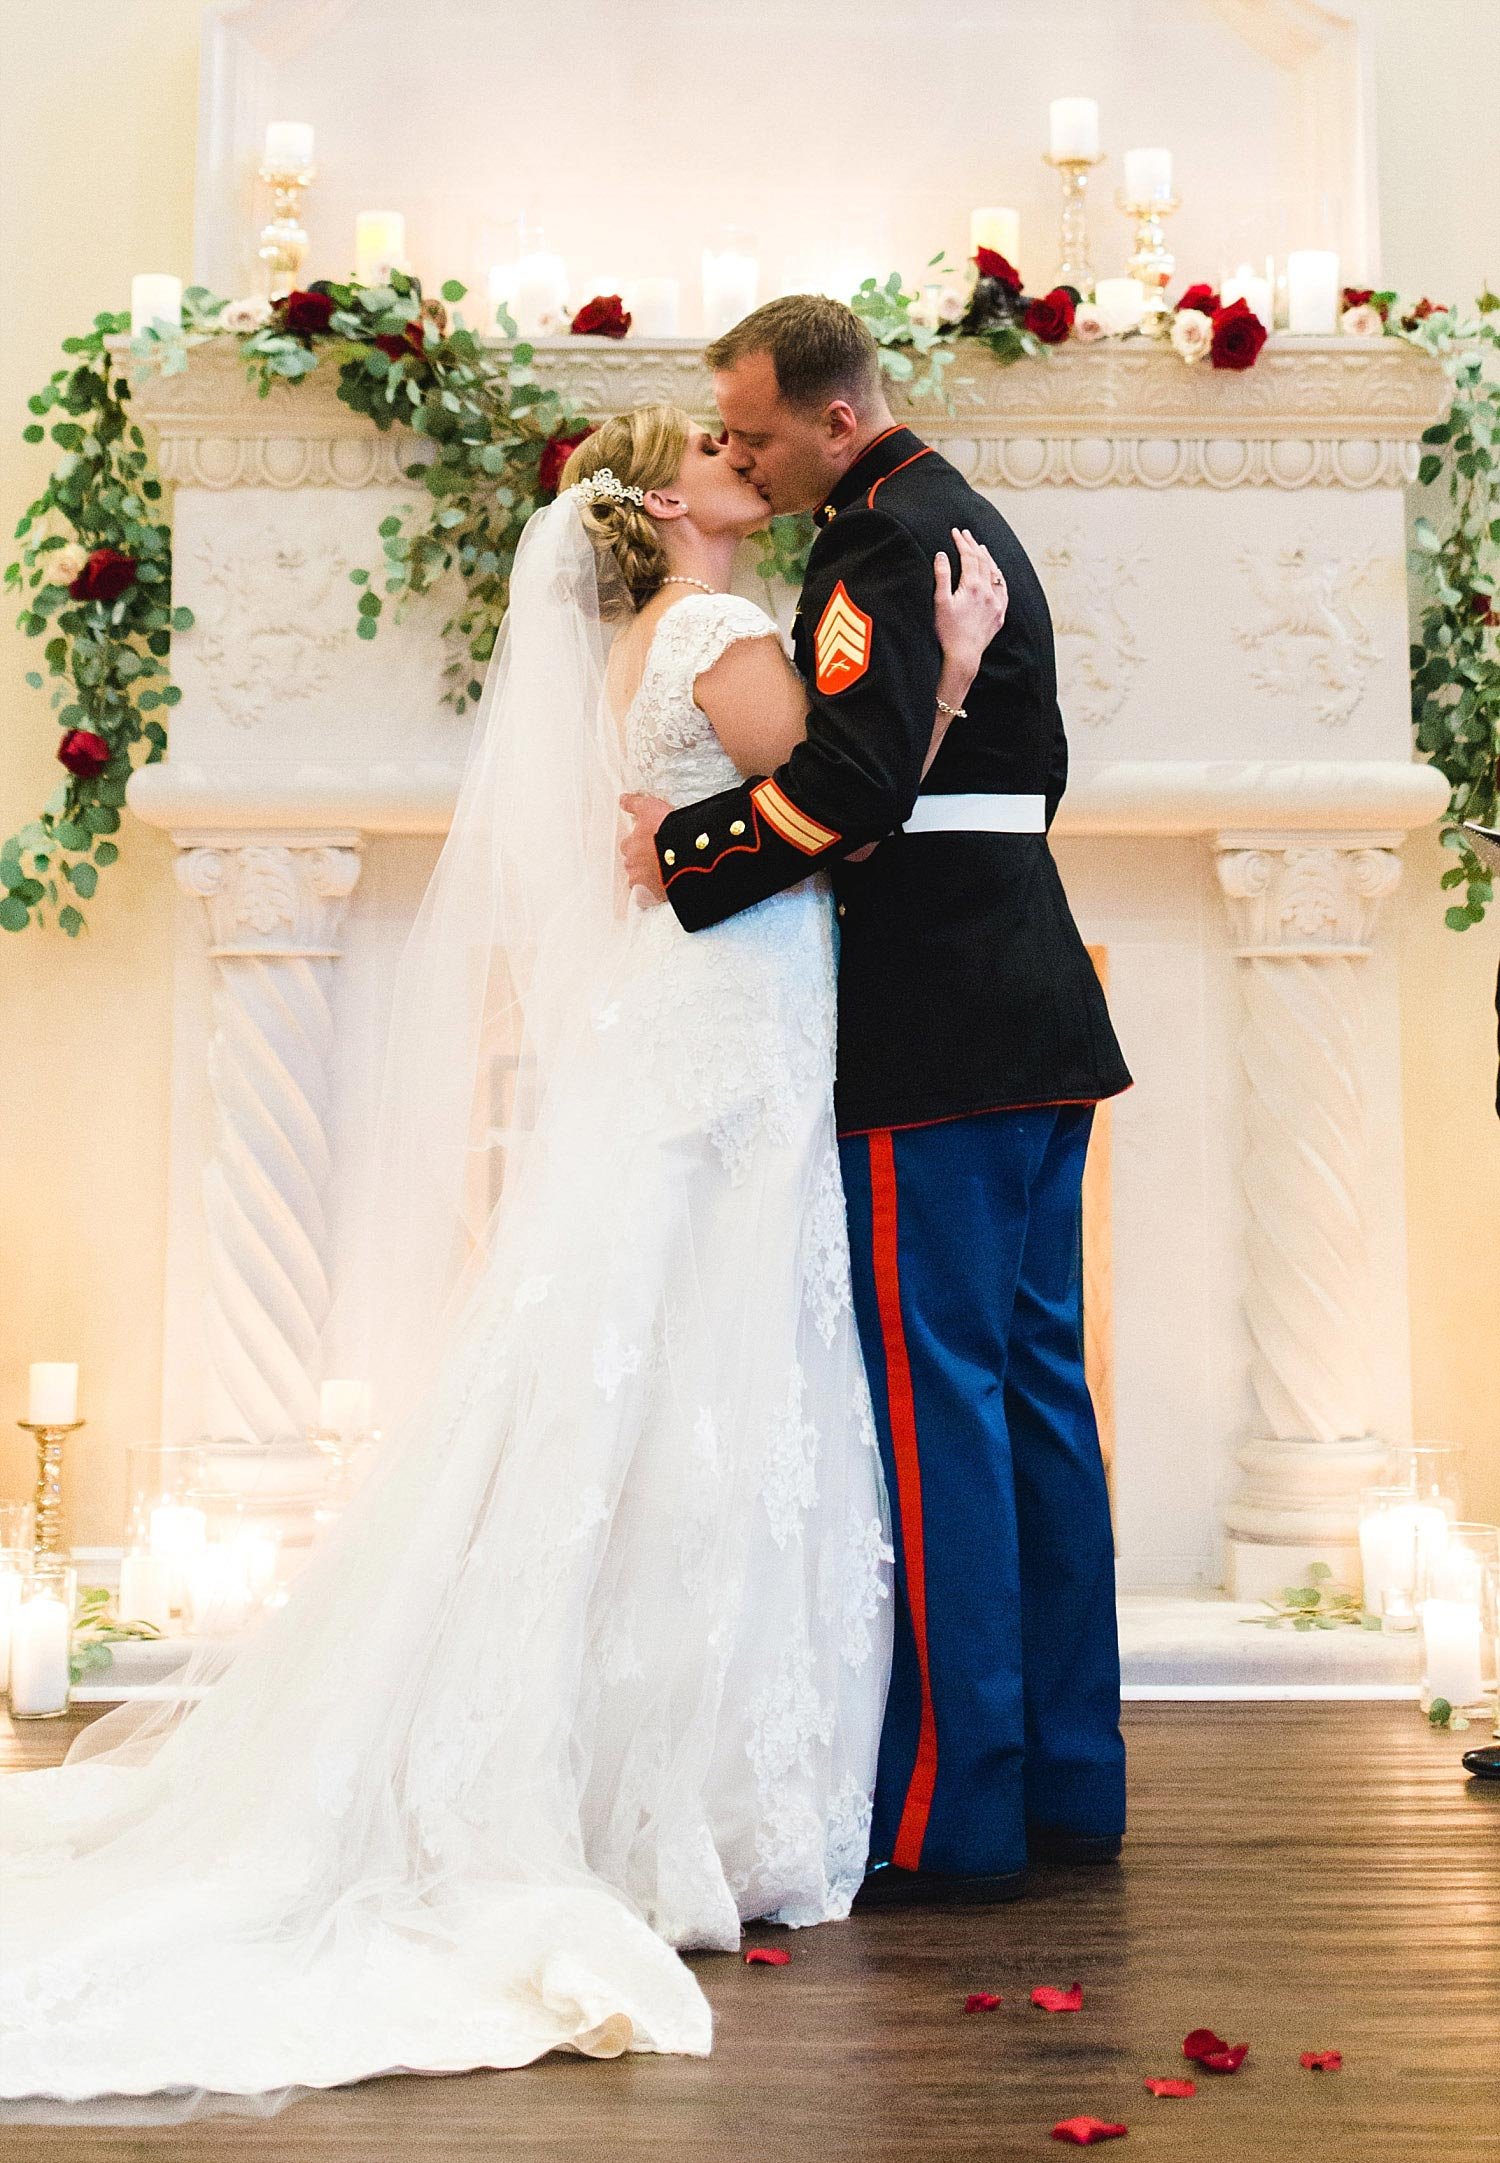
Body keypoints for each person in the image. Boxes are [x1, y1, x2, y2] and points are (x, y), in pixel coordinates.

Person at [0, 403, 1006, 2123]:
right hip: (726, 1034)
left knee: (639, 1358)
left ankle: (622, 1759)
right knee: (700, 1358)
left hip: (696, 1018)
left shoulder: (638, 643)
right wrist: (958, 666)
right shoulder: (716, 632)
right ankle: (663, 1790)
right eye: (714, 457)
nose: (742, 472)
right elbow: (856, 803)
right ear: (664, 504)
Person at [621, 297, 1134, 1906]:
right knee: (1036, 1393)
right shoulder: (951, 516)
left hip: (936, 1029)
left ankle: (954, 1810)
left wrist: (683, 856)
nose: (744, 456)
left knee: (944, 1409)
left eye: (759, 431)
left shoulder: (878, 543)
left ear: (836, 420)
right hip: (1032, 1007)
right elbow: (1022, 776)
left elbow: (852, 785)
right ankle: (1066, 1781)